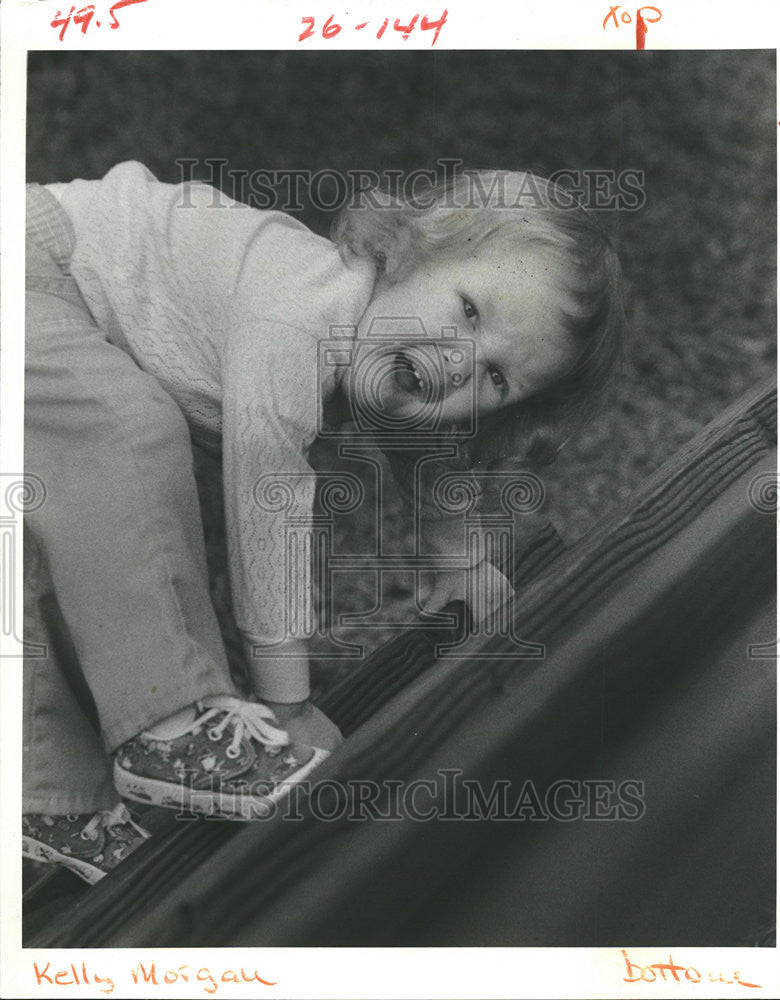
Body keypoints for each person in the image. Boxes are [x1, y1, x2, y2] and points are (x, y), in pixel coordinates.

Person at [22, 162, 623, 882]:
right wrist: (289, 703)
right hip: (34, 260)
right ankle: (171, 726)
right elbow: (267, 509)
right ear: (406, 253)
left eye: (497, 376)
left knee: (74, 530)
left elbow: (429, 457)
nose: (459, 363)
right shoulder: (295, 322)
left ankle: (51, 799)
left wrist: (460, 565)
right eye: (468, 310)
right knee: (129, 430)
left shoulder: (392, 347)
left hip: (58, 294)